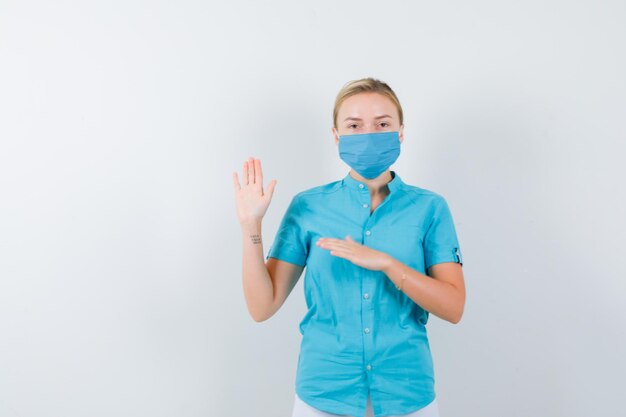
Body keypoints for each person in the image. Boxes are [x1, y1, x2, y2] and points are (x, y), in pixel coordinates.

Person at [233, 77, 465, 417]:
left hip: (407, 392)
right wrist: (251, 226)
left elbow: (454, 307)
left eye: (382, 124)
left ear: (401, 131)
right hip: (324, 393)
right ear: (336, 135)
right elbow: (261, 306)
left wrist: (389, 265)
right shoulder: (308, 207)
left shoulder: (430, 208)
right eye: (354, 125)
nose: (369, 135)